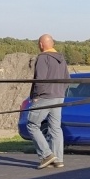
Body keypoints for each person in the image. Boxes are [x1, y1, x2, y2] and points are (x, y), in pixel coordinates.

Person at [27, 34, 70, 169]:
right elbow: (67, 79)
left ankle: (46, 155)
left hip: (45, 96)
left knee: (32, 124)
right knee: (55, 128)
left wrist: (36, 95)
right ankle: (58, 159)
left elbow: (40, 79)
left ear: (41, 44)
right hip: (59, 96)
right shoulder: (61, 59)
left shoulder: (43, 58)